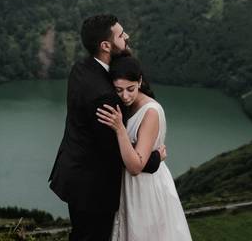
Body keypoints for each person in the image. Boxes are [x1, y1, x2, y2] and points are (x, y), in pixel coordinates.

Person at [49, 14, 165, 241]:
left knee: (81, 235)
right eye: (121, 35)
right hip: (93, 188)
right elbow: (113, 149)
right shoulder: (105, 95)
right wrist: (153, 159)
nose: (127, 37)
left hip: (74, 173)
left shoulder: (82, 68)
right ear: (105, 45)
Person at [96, 56, 192, 241]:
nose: (125, 96)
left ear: (139, 81)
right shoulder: (123, 105)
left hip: (144, 189)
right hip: (126, 187)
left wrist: (119, 129)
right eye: (119, 90)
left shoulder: (150, 112)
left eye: (130, 89)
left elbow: (135, 167)